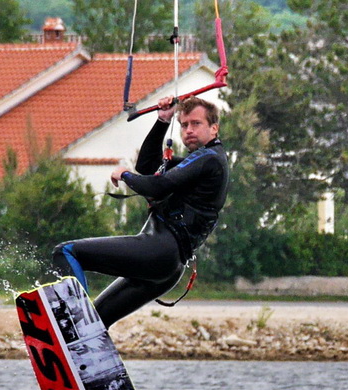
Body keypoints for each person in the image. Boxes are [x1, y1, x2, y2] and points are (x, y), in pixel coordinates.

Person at [52, 95, 229, 327]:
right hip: (168, 267)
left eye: (196, 124)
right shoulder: (203, 161)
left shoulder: (209, 159)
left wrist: (124, 174)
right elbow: (147, 166)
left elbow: (157, 186)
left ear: (214, 128)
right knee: (96, 322)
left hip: (159, 250)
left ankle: (71, 327)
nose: (188, 130)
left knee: (65, 252)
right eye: (184, 125)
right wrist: (163, 121)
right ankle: (80, 343)